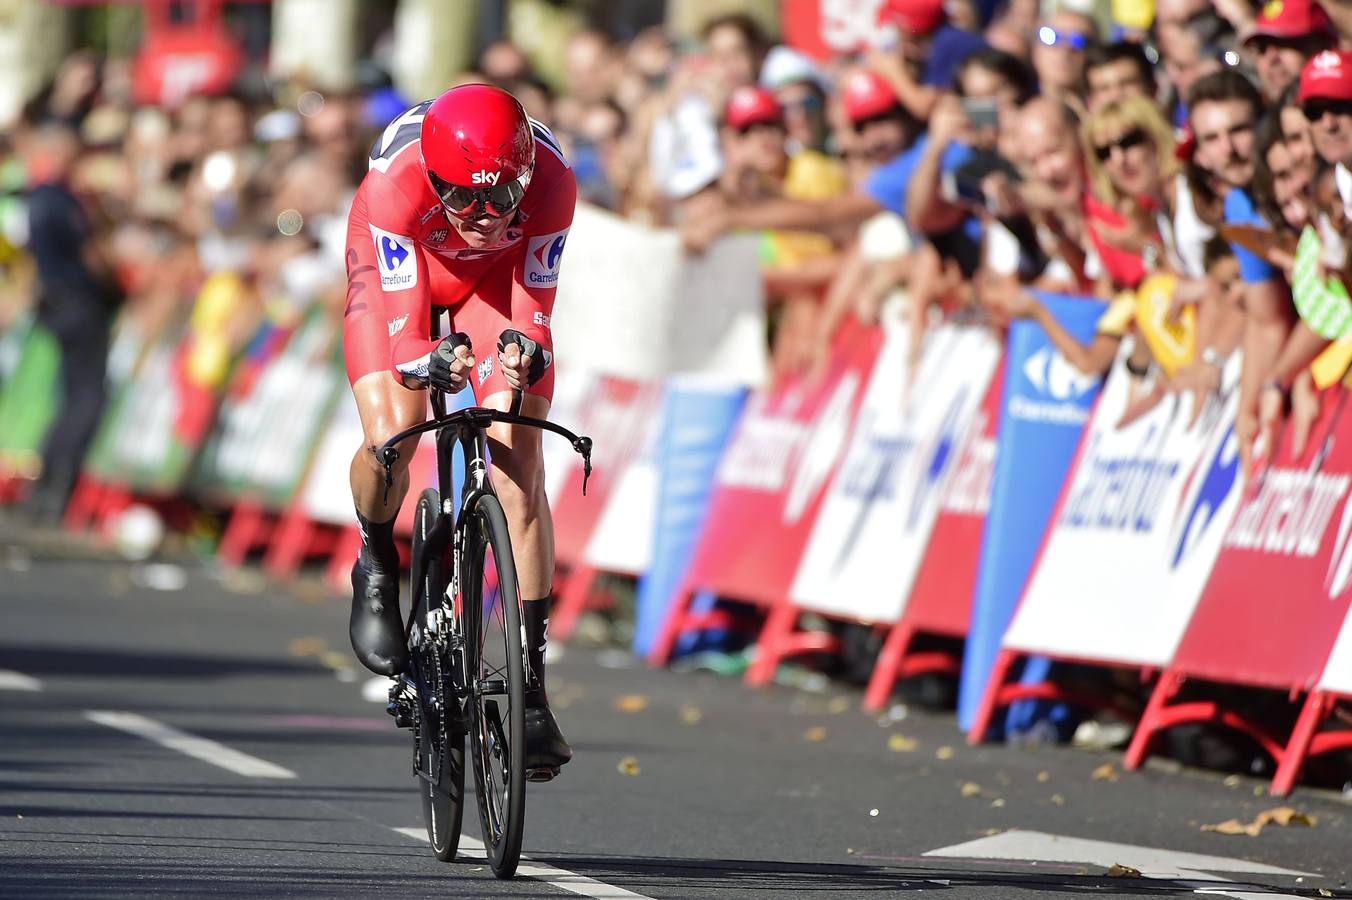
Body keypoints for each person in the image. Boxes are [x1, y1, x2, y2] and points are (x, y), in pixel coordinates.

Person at [343, 84, 577, 778]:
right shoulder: (396, 183)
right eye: (462, 196)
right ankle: (378, 560)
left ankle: (531, 688)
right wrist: (427, 364)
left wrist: (522, 351)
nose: (479, 215)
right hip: (403, 265)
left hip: (496, 283)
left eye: (499, 197)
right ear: (436, 177)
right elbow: (407, 335)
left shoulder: (555, 181)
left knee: (520, 463)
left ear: (526, 178)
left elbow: (534, 307)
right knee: (396, 432)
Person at [22, 120, 124, 523]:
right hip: (77, 301)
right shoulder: (59, 199)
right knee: (86, 396)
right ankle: (55, 485)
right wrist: (117, 284)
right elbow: (89, 254)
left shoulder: (39, 198)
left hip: (55, 300)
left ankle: (45, 481)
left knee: (70, 393)